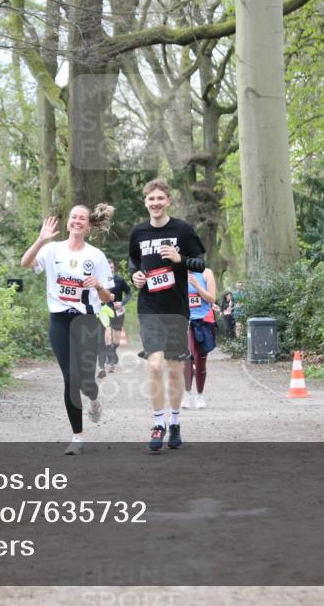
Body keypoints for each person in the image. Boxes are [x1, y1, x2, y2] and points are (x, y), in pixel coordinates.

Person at [20, 205, 115, 455]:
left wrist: (98, 287)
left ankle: (93, 399)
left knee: (85, 379)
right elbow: (25, 263)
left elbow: (108, 298)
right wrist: (40, 239)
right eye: (73, 217)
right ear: (69, 222)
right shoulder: (52, 249)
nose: (77, 221)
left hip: (86, 321)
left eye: (82, 218)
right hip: (59, 321)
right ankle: (78, 436)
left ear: (89, 226)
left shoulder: (96, 256)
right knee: (70, 378)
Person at [128, 179, 206, 451]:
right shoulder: (138, 232)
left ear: (168, 201)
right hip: (149, 306)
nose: (156, 203)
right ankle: (158, 423)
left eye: (160, 198)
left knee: (174, 371)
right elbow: (133, 262)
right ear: (146, 202)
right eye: (151, 199)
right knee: (154, 365)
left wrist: (179, 259)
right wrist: (135, 276)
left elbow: (200, 263)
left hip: (176, 309)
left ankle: (175, 423)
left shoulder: (183, 230)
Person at [183, 268, 217, 409]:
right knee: (187, 358)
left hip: (203, 321)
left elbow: (211, 298)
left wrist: (197, 285)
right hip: (185, 322)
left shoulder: (206, 273)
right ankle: (187, 394)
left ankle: (200, 395)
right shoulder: (178, 272)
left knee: (200, 360)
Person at [97, 261, 132, 377]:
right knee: (107, 336)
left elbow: (129, 293)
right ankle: (110, 361)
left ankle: (112, 351)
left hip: (118, 311)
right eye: (107, 267)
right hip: (104, 311)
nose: (110, 269)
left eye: (111, 267)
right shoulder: (100, 280)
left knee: (116, 341)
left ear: (114, 268)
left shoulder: (119, 280)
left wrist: (122, 303)